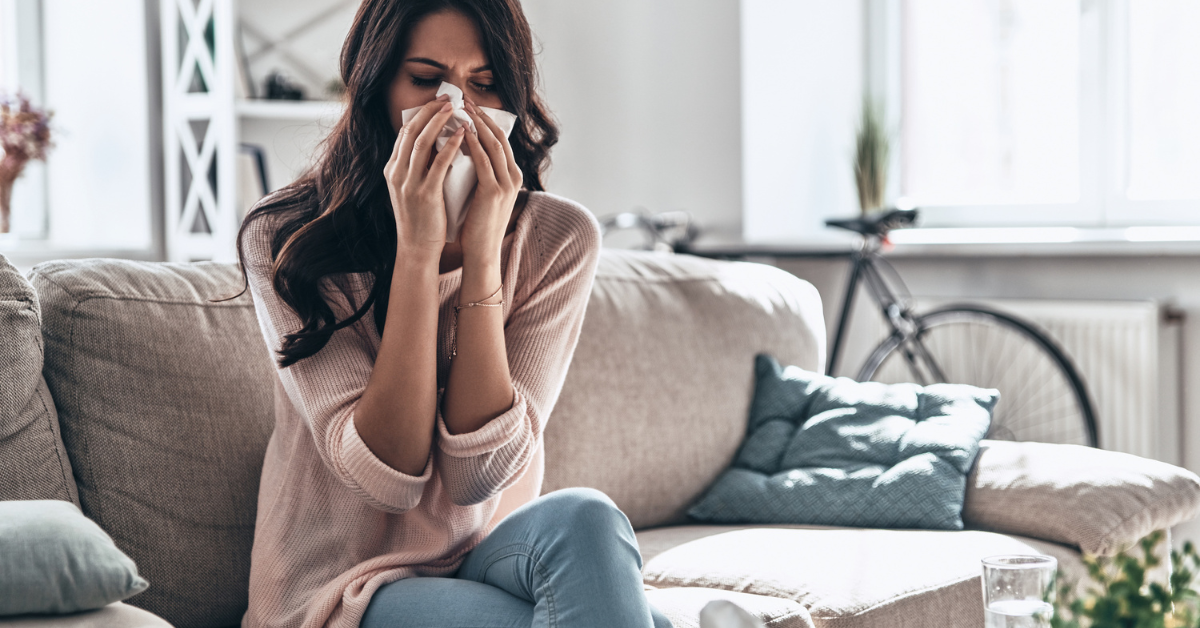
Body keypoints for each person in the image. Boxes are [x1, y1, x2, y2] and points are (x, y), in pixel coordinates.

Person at [226, 1, 673, 627]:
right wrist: (419, 250)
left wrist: (484, 251)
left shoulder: (558, 239)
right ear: (376, 85)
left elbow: (476, 476)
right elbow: (389, 478)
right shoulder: (287, 238)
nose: (456, 112)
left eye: (484, 85)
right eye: (425, 80)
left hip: (471, 558)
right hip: (337, 592)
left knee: (587, 517)